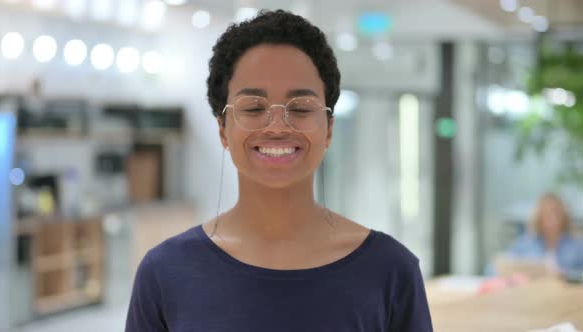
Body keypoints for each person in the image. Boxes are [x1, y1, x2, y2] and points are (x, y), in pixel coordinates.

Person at [126, 10, 432, 332]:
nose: (276, 126)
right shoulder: (165, 272)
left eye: (300, 108)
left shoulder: (390, 271)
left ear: (328, 129)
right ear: (222, 129)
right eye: (254, 108)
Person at [497, 193, 583, 277]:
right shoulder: (526, 243)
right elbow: (497, 267)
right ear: (539, 217)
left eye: (556, 213)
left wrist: (566, 274)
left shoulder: (576, 246)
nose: (552, 219)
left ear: (564, 216)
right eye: (547, 214)